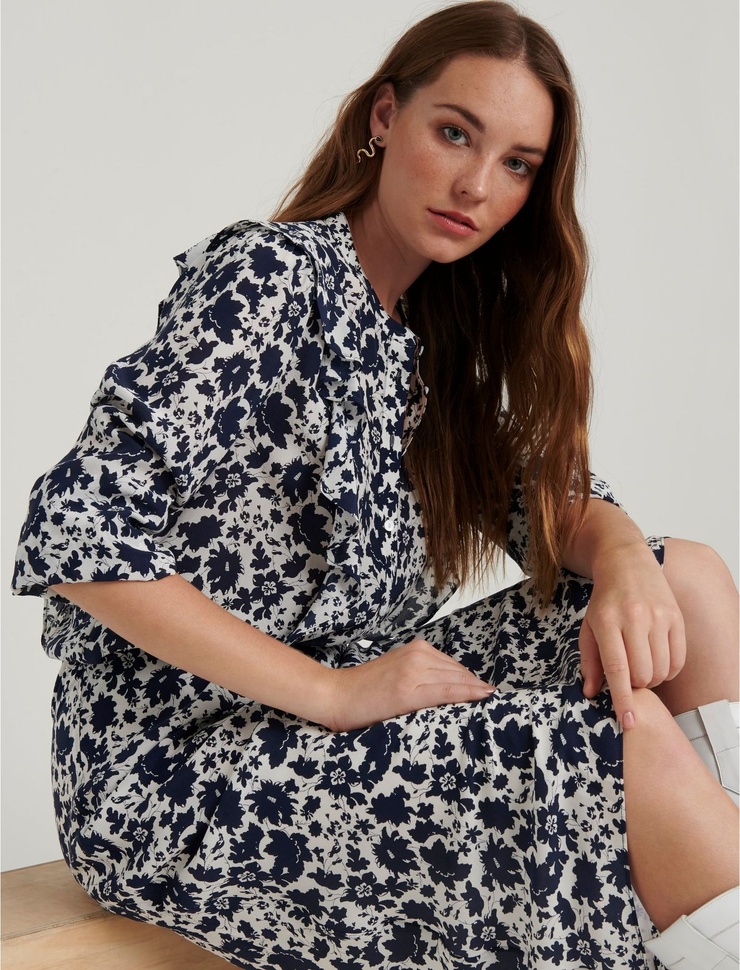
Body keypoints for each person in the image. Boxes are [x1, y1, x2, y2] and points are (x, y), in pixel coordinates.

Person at [11, 2, 739, 968]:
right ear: (385, 117)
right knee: (589, 751)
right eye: (456, 133)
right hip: (174, 770)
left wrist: (622, 555)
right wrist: (333, 692)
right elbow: (77, 532)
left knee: (687, 580)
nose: (477, 186)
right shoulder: (271, 278)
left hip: (345, 707)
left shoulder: (432, 329)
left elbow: (539, 503)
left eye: (518, 164)